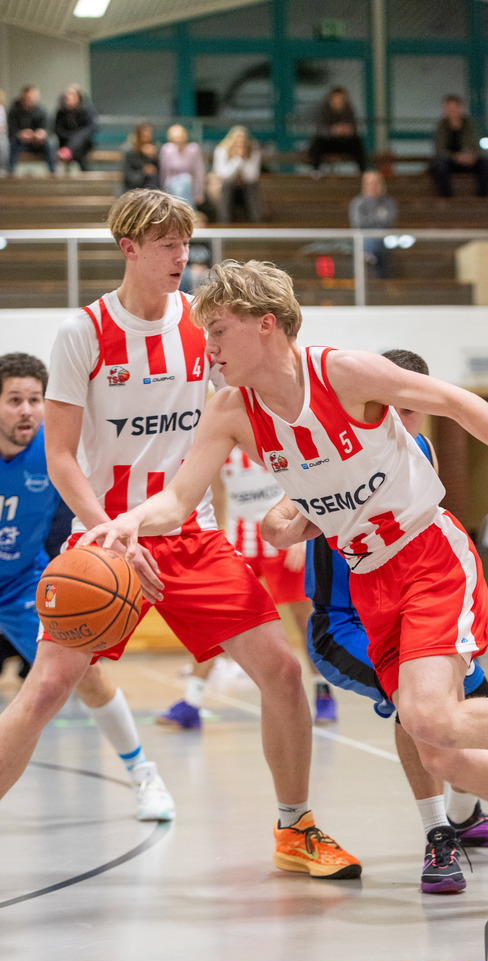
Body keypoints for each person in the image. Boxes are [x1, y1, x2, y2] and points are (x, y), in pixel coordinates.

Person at [83, 259, 488, 908]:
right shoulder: (229, 411)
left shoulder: (343, 372)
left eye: (217, 329)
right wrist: (124, 523)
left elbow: (459, 402)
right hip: (369, 580)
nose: (206, 346)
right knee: (439, 753)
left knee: (426, 716)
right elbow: (178, 500)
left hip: (428, 555)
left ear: (264, 325)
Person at [0, 191, 357, 881]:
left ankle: (295, 830)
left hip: (189, 533)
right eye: (166, 244)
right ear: (128, 247)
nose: (181, 257)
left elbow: (250, 414)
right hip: (106, 540)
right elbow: (62, 457)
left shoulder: (203, 330)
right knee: (44, 692)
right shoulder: (84, 333)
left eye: (186, 244)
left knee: (282, 672)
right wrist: (113, 531)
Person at [283, 348, 488, 894]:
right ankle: (437, 833)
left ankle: (466, 818)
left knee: (475, 698)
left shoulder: (419, 450)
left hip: (406, 610)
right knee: (414, 702)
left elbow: (441, 553)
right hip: (345, 622)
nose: (405, 416)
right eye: (396, 404)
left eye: (414, 407)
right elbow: (288, 514)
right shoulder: (333, 450)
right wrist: (283, 524)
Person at [0, 351, 174, 821]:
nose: (27, 411)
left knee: (84, 675)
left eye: (35, 400)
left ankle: (143, 774)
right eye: (14, 400)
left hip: (22, 584)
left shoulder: (54, 452)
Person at [157, 446, 338, 728]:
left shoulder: (274, 432)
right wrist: (216, 538)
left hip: (283, 536)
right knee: (219, 618)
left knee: (305, 622)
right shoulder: (222, 439)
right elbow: (216, 497)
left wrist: (304, 532)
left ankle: (324, 696)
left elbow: (307, 479)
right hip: (240, 538)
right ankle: (192, 701)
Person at [429, 94, 488, 199]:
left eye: (453, 108)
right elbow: (439, 150)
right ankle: (446, 199)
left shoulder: (471, 125)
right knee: (439, 165)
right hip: (449, 162)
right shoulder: (440, 127)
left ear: (460, 108)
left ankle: (483, 199)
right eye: (448, 108)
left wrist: (470, 156)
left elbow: (477, 146)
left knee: (486, 164)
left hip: (469, 160)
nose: (451, 111)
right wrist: (455, 157)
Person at [348, 170, 398, 280]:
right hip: (363, 239)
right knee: (370, 239)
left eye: (376, 183)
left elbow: (388, 222)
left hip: (386, 240)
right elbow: (359, 223)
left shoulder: (388, 202)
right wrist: (377, 221)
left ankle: (369, 256)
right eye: (369, 183)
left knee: (378, 237)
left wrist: (373, 223)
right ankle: (373, 259)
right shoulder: (358, 202)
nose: (372, 186)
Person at [308, 87, 367, 175]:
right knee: (317, 143)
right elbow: (320, 129)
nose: (339, 100)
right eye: (336, 98)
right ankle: (315, 170)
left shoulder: (349, 109)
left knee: (357, 142)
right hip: (328, 142)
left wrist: (346, 130)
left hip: (344, 142)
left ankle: (362, 171)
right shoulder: (323, 110)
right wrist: (333, 130)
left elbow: (354, 127)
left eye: (341, 98)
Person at [211, 126, 262, 223]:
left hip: (246, 187)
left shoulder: (253, 150)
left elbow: (252, 176)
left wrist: (243, 159)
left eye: (243, 139)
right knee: (227, 186)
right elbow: (222, 174)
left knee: (251, 187)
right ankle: (224, 222)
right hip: (226, 186)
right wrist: (236, 160)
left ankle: (258, 222)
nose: (240, 142)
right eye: (237, 138)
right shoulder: (221, 150)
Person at [7, 85, 56, 175]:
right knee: (11, 143)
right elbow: (11, 131)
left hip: (37, 143)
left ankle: (52, 172)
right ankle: (11, 172)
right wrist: (20, 135)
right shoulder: (14, 110)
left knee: (50, 143)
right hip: (20, 143)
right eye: (31, 97)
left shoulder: (41, 110)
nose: (33, 100)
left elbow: (48, 129)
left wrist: (41, 133)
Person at [159, 124, 205, 210]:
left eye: (180, 136)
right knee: (180, 185)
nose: (178, 139)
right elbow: (164, 172)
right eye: (176, 137)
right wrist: (163, 192)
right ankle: (185, 210)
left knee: (185, 180)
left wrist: (199, 193)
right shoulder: (166, 149)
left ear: (185, 136)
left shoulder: (193, 148)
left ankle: (180, 210)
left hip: (190, 184)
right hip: (171, 184)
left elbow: (199, 172)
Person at [53, 84, 97, 172]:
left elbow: (91, 128)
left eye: (71, 96)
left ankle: (68, 152)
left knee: (79, 143)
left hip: (83, 144)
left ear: (78, 97)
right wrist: (72, 138)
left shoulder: (87, 110)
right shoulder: (61, 113)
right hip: (65, 142)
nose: (68, 98)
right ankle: (68, 152)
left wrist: (76, 138)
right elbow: (58, 130)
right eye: (67, 96)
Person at [122, 122, 160, 192]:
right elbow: (128, 177)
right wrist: (143, 171)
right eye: (144, 134)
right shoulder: (130, 152)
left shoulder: (156, 150)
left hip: (152, 189)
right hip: (134, 189)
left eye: (150, 133)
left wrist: (154, 157)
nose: (147, 136)